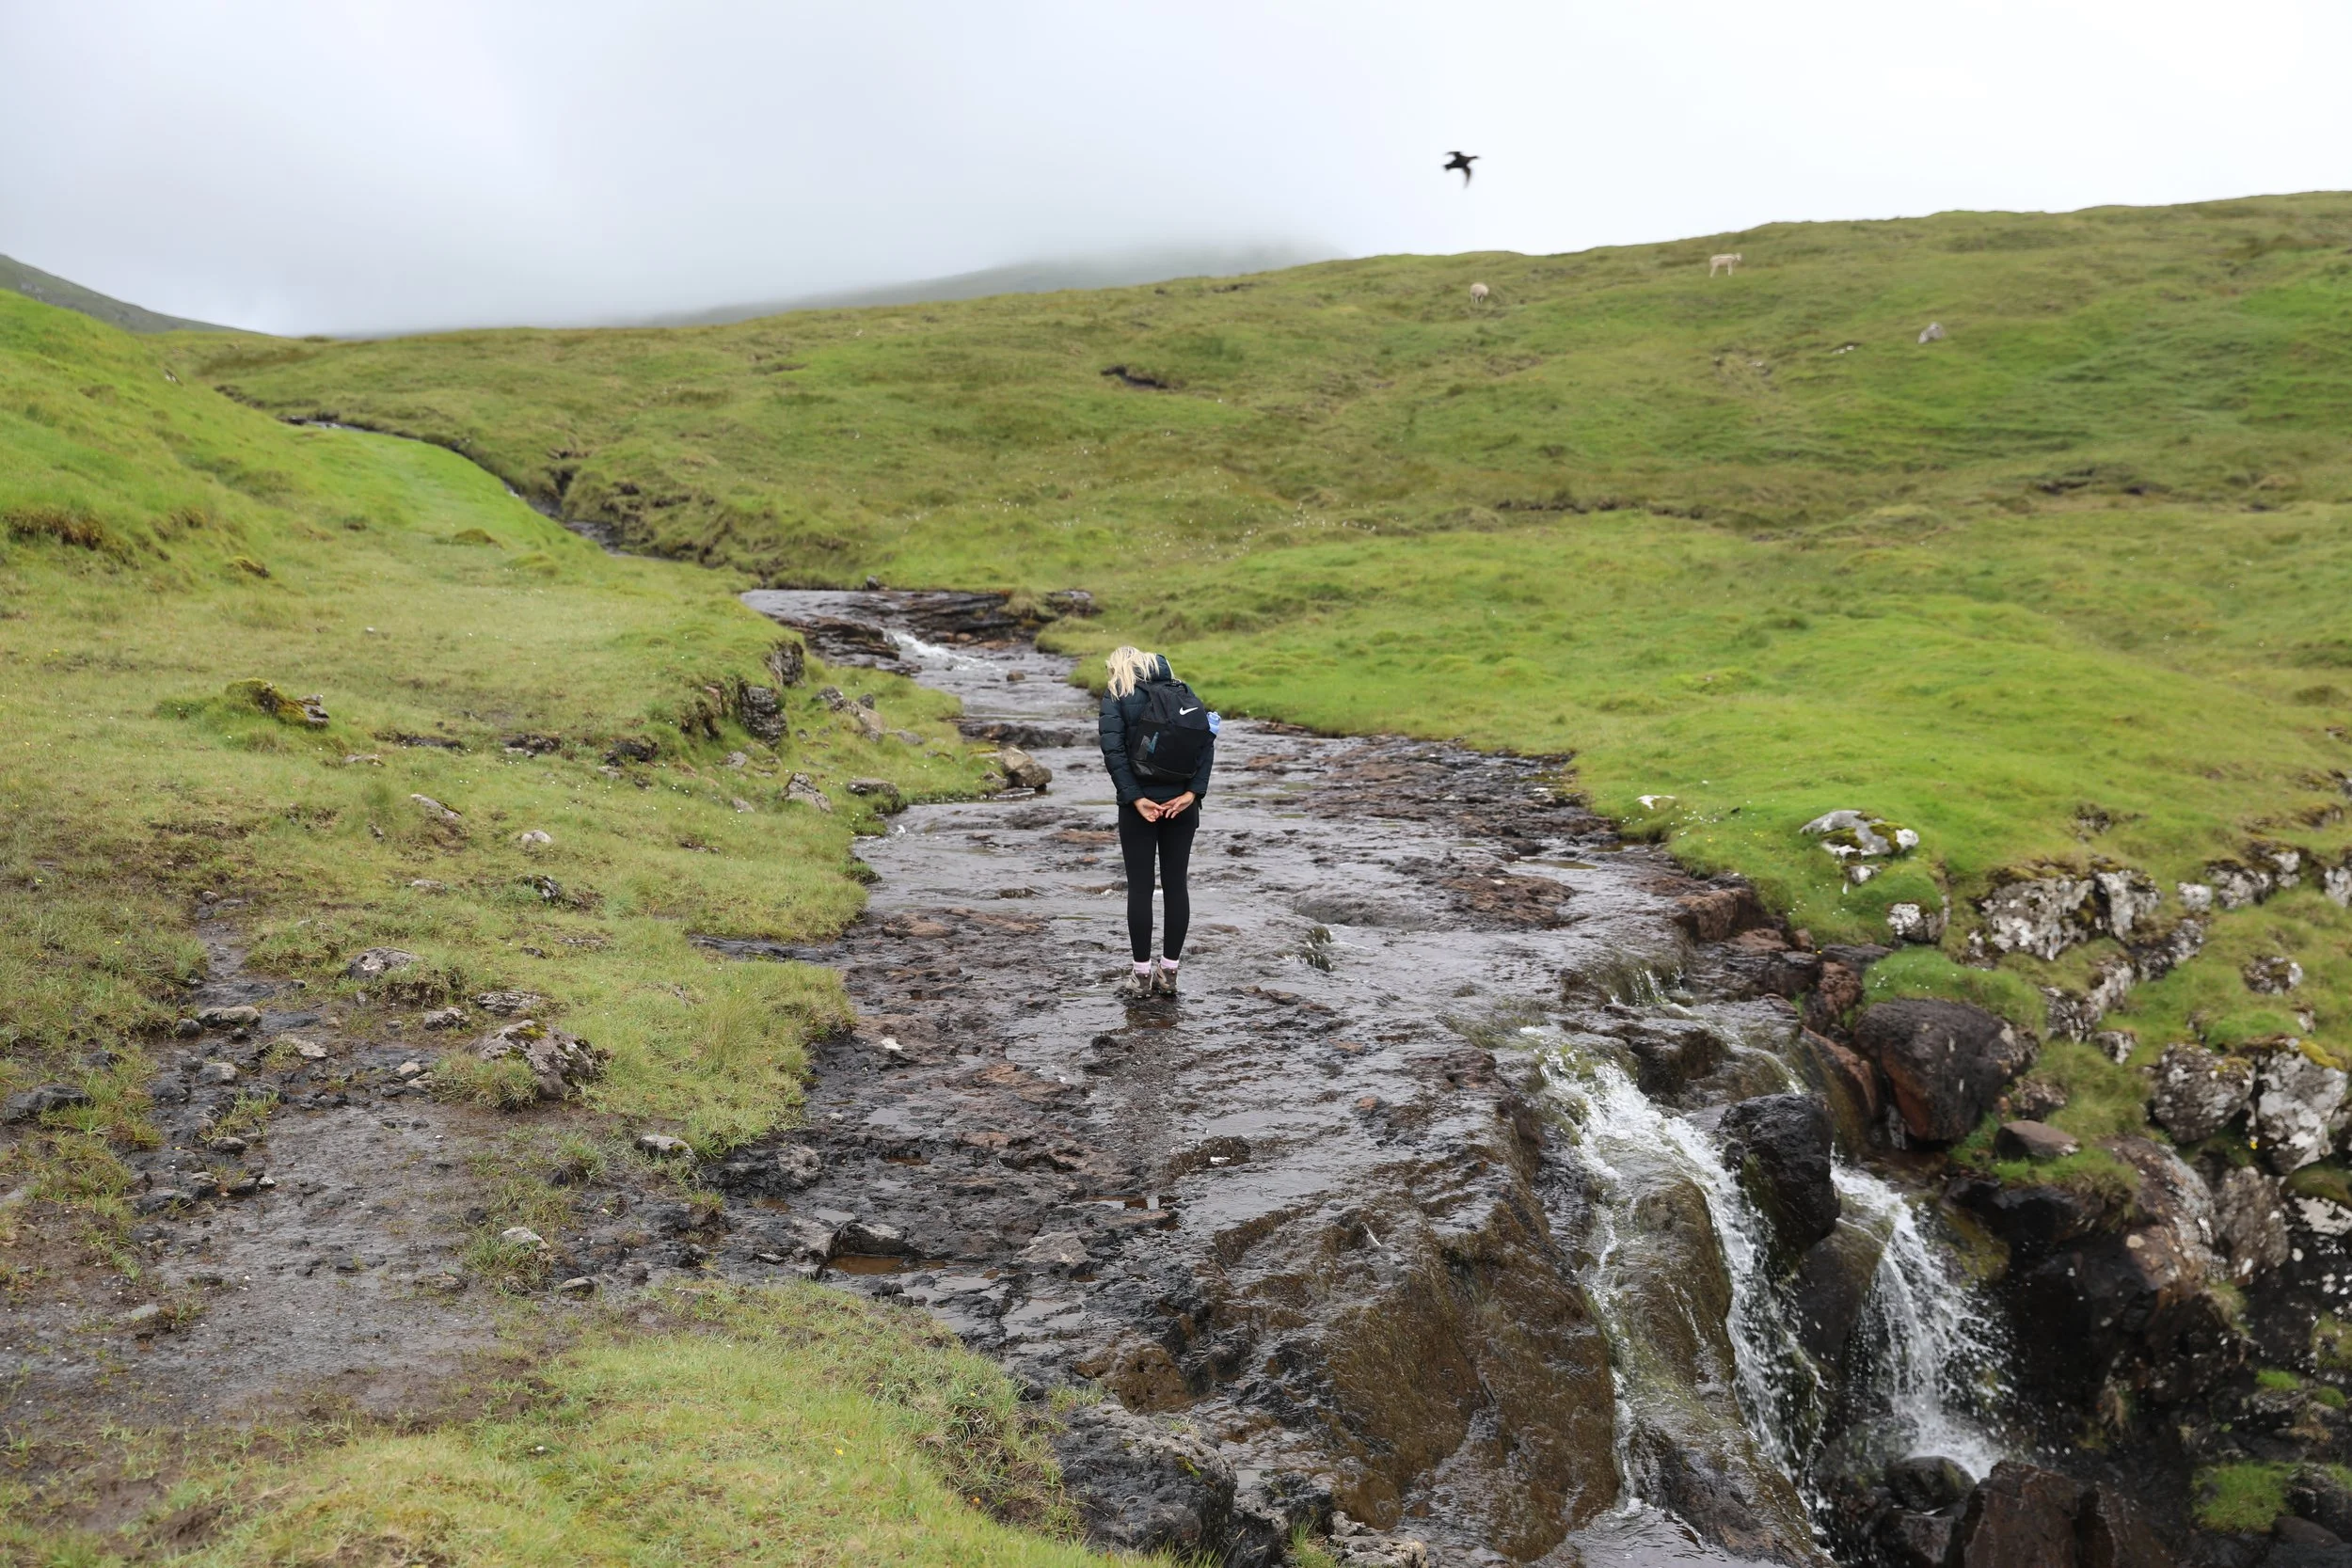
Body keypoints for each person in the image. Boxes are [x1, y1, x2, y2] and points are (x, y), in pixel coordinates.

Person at [1098, 645, 1215, 997]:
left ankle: (1141, 976)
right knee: (1176, 885)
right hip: (1182, 805)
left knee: (1141, 887)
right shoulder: (1184, 692)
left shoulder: (1117, 694)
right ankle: (1170, 972)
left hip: (1139, 808)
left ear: (1121, 667)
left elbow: (1113, 751)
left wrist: (1135, 798)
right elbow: (1206, 744)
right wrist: (1192, 794)